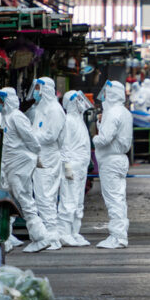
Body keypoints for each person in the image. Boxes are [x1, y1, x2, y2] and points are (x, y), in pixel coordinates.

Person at [0, 87, 53, 253]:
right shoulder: (5, 117)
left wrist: (36, 155)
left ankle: (41, 237)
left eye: (1, 100)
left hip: (19, 164)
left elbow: (31, 139)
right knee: (7, 201)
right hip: (11, 165)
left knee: (24, 199)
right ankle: (4, 238)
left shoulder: (16, 116)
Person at [93, 80, 133, 249]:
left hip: (111, 160)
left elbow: (104, 138)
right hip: (120, 159)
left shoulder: (113, 113)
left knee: (113, 199)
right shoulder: (124, 112)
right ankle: (120, 233)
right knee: (119, 198)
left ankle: (118, 237)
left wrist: (94, 138)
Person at [27, 77, 66, 251]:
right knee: (42, 196)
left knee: (46, 196)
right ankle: (49, 235)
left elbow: (50, 136)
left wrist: (31, 137)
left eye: (37, 88)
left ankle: (52, 236)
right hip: (40, 156)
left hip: (49, 157)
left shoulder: (54, 110)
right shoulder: (42, 109)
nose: (35, 92)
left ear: (45, 89)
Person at [58, 90, 93, 247]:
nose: (81, 103)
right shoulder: (68, 120)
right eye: (78, 100)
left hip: (81, 166)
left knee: (78, 201)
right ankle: (64, 233)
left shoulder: (79, 120)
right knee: (68, 200)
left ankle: (74, 232)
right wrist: (67, 166)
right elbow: (64, 145)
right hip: (72, 166)